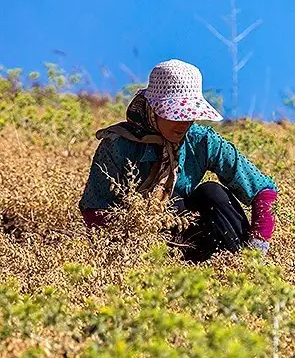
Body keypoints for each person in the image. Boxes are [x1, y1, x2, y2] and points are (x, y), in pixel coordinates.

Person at [78, 58, 277, 262]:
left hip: (202, 241)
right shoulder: (118, 145)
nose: (184, 123)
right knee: (173, 203)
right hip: (145, 244)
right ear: (153, 109)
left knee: (212, 192)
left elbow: (263, 190)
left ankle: (235, 265)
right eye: (176, 115)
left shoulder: (202, 140)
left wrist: (257, 248)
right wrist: (118, 256)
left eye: (189, 115)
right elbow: (95, 209)